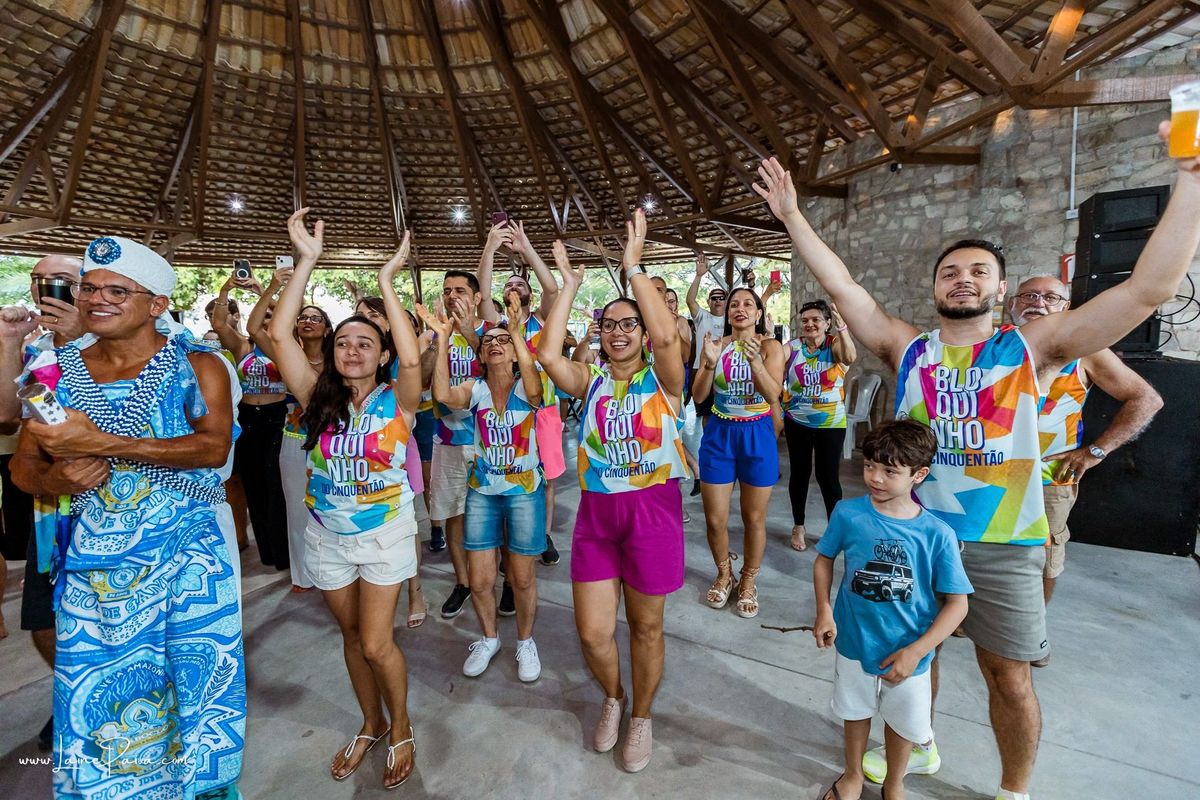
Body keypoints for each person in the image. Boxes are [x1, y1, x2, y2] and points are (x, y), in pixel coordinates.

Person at [754, 122, 1200, 800]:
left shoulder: (1033, 348)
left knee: (1008, 677)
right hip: (917, 537)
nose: (962, 280)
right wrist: (791, 217)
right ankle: (919, 745)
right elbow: (844, 289)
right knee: (913, 657)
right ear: (934, 285)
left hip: (1004, 542)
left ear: (999, 291)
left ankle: (1014, 789)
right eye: (950, 271)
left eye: (978, 273)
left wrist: (1191, 182)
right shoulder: (910, 350)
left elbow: (1145, 291)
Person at [11, 236, 244, 799]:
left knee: (196, 696)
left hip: (190, 568)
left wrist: (104, 441)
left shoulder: (199, 365)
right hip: (95, 570)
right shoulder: (52, 372)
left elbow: (212, 448)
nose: (97, 298)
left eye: (118, 290)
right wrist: (56, 480)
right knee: (97, 698)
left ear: (157, 304)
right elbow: (23, 468)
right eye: (90, 287)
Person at [267, 210, 421, 789]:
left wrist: (386, 283)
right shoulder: (315, 397)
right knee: (352, 638)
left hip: (384, 534)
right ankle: (370, 721)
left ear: (380, 355)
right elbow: (281, 335)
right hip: (326, 534)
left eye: (366, 342)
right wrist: (304, 262)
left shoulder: (398, 400)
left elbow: (411, 359)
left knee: (379, 641)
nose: (353, 349)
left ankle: (402, 726)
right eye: (344, 342)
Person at [538, 210, 689, 772]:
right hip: (598, 518)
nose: (619, 331)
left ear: (643, 335)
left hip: (653, 513)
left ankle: (642, 716)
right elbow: (549, 357)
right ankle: (614, 697)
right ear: (599, 335)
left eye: (629, 324)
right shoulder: (592, 381)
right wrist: (570, 289)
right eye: (609, 325)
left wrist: (633, 268)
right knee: (595, 633)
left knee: (647, 627)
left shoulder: (665, 382)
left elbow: (669, 333)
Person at [812, 420, 972, 800]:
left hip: (908, 654)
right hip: (854, 641)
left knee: (902, 724)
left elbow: (957, 605)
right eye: (869, 465)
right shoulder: (848, 514)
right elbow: (823, 560)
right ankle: (851, 775)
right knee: (854, 712)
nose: (875, 478)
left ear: (919, 475)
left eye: (889, 471)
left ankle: (894, 783)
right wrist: (824, 610)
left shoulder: (937, 534)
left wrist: (918, 650)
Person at [1008, 275, 1162, 660]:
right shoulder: (995, 345)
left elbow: (1145, 399)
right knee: (974, 547)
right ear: (1011, 304)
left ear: (1067, 307)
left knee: (1045, 555)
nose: (1037, 302)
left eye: (1050, 297)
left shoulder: (1086, 351)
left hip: (1048, 475)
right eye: (1028, 295)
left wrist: (1096, 451)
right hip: (986, 473)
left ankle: (1033, 633)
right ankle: (967, 617)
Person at [421, 294, 547, 680]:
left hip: (525, 491)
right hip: (482, 492)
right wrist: (443, 339)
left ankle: (525, 642)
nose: (495, 342)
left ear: (515, 351)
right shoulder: (474, 389)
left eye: (503, 339)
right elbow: (441, 396)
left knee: (522, 576)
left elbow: (537, 389)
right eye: (489, 339)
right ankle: (489, 638)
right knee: (479, 579)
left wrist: (516, 333)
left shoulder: (528, 387)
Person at [0, 254, 86, 751]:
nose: (47, 289)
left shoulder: (119, 344)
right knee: (43, 622)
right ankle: (73, 695)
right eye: (40, 281)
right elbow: (7, 416)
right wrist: (12, 345)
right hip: (51, 511)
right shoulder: (36, 351)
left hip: (112, 506)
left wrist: (77, 339)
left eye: (64, 282)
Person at [692, 286, 785, 619]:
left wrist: (756, 362)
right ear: (727, 313)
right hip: (719, 433)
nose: (740, 308)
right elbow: (698, 394)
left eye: (748, 304)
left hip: (757, 433)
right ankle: (723, 573)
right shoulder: (717, 345)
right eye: (734, 304)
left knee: (753, 518)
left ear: (758, 314)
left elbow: (774, 395)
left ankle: (748, 579)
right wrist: (708, 363)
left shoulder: (772, 347)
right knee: (715, 518)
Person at [476, 220, 564, 569]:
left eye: (520, 282)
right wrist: (490, 247)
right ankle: (511, 539)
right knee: (507, 476)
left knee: (546, 478)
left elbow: (552, 288)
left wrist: (526, 247)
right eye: (509, 282)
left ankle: (541, 535)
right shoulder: (497, 324)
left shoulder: (541, 319)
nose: (515, 285)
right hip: (507, 413)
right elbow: (482, 289)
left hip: (543, 410)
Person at [244, 266, 333, 592]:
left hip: (333, 440)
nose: (307, 321)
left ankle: (334, 568)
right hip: (294, 438)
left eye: (315, 318)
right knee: (296, 506)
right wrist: (268, 288)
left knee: (332, 504)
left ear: (327, 330)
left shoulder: (337, 357)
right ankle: (303, 574)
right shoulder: (286, 354)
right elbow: (255, 328)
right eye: (302, 317)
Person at [212, 271, 293, 572]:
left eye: (274, 314)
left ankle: (285, 553)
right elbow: (219, 324)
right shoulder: (243, 348)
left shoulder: (287, 350)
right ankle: (268, 553)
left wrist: (271, 290)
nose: (269, 319)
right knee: (254, 486)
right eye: (266, 314)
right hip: (248, 419)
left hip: (277, 418)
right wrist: (225, 290)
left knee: (275, 484)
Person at [430, 269, 487, 619]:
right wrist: (438, 340)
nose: (453, 296)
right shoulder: (436, 334)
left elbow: (506, 374)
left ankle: (507, 581)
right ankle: (462, 582)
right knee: (453, 513)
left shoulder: (491, 332)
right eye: (447, 290)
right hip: (447, 438)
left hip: (491, 441)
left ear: (477, 297)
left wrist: (467, 333)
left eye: (461, 290)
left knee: (496, 514)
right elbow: (422, 377)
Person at [783, 300, 856, 551]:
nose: (810, 324)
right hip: (797, 421)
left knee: (828, 478)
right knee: (799, 474)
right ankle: (798, 526)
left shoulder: (834, 344)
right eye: (805, 320)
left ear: (827, 323)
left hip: (831, 424)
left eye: (816, 320)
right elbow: (771, 361)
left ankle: (834, 530)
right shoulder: (793, 347)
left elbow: (850, 357)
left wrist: (843, 326)